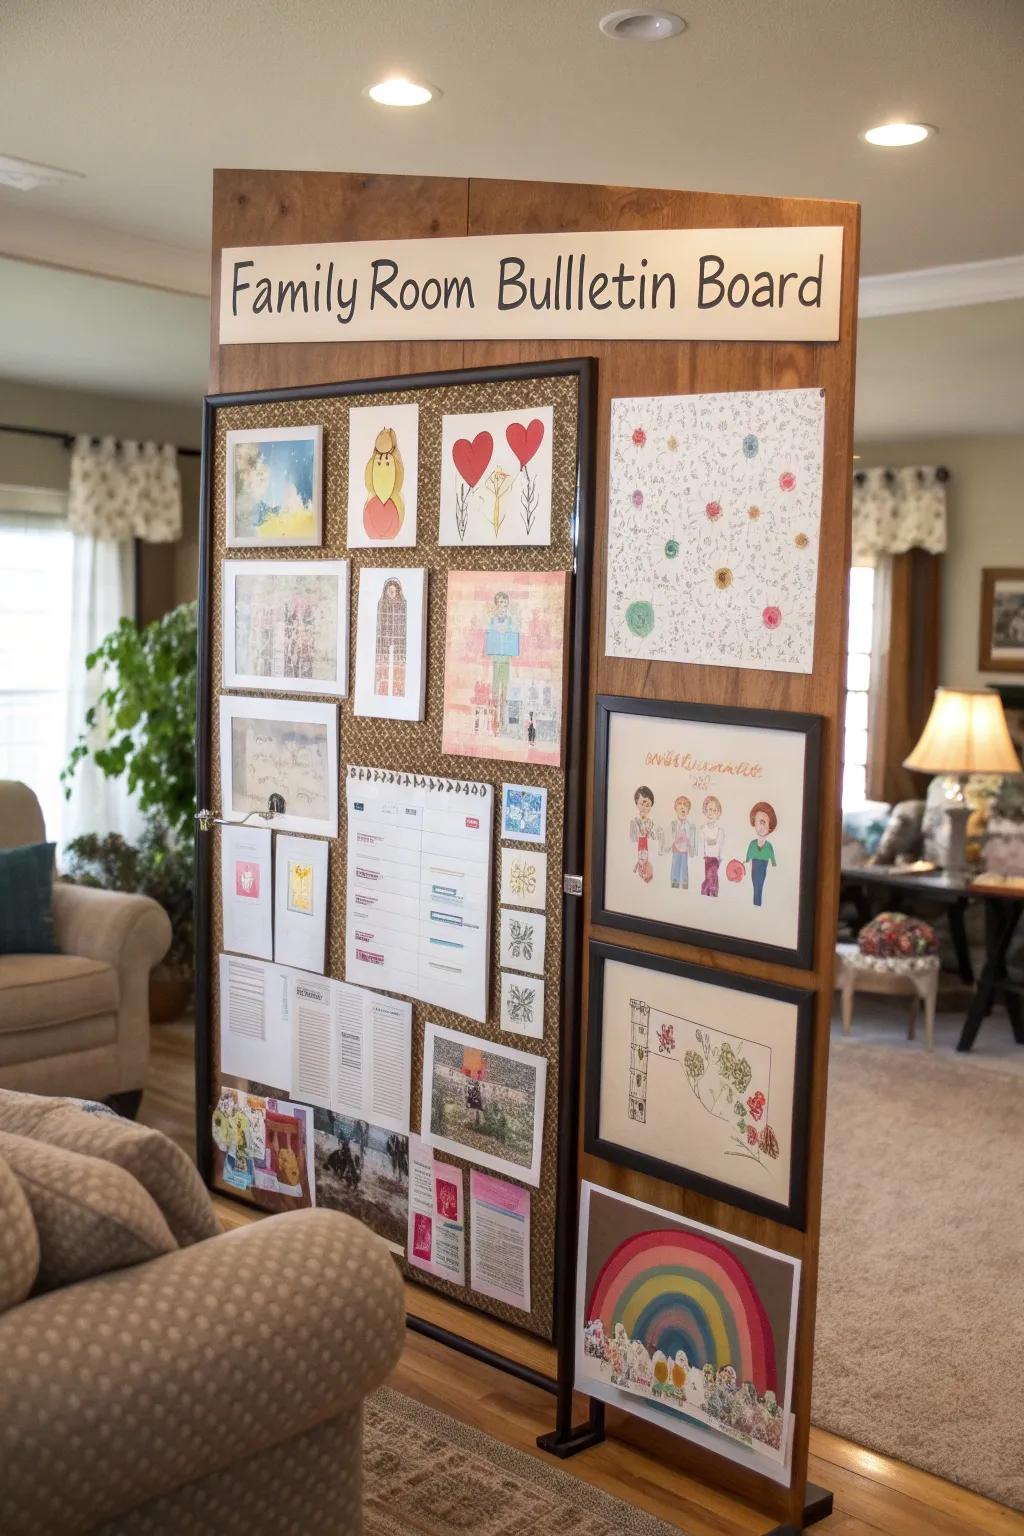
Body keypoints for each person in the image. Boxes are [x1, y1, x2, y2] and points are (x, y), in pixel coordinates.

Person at [485, 590, 520, 730]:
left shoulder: (511, 621)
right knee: (494, 689)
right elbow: (489, 637)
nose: (503, 607)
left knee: (505, 689)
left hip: (506, 661)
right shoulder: (492, 620)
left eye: (505, 604)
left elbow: (514, 637)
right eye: (500, 604)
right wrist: (496, 630)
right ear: (496, 605)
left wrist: (507, 629)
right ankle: (493, 720)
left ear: (508, 606)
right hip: (496, 661)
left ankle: (503, 720)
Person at [744, 801, 778, 907]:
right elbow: (748, 858)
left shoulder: (769, 846)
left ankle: (757, 902)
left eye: (764, 822)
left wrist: (773, 865)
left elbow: (773, 861)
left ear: (770, 826)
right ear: (754, 823)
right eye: (759, 822)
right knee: (755, 885)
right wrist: (746, 862)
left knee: (761, 885)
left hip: (763, 866)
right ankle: (756, 902)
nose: (761, 826)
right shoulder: (752, 844)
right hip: (754, 867)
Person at [630, 785, 663, 883]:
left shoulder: (650, 822)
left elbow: (653, 837)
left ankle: (646, 872)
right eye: (642, 804)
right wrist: (641, 831)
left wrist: (650, 832)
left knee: (645, 858)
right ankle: (640, 870)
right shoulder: (634, 821)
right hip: (638, 847)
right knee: (640, 858)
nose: (644, 807)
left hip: (647, 848)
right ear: (637, 803)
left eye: (647, 805)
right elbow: (633, 838)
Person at [700, 794, 725, 898]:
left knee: (713, 879)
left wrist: (720, 859)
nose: (711, 813)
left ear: (718, 813)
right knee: (708, 878)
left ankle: (712, 894)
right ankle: (706, 893)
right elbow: (702, 846)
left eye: (714, 810)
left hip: (715, 860)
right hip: (706, 859)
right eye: (709, 809)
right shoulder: (703, 829)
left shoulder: (720, 831)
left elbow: (721, 847)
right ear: (705, 811)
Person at [669, 794, 695, 890]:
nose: (683, 806)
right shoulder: (674, 824)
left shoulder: (689, 825)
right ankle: (674, 883)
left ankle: (684, 884)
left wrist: (691, 848)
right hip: (676, 848)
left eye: (685, 805)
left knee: (684, 867)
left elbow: (691, 838)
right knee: (675, 865)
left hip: (684, 850)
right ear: (676, 808)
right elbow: (671, 837)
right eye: (680, 804)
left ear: (688, 811)